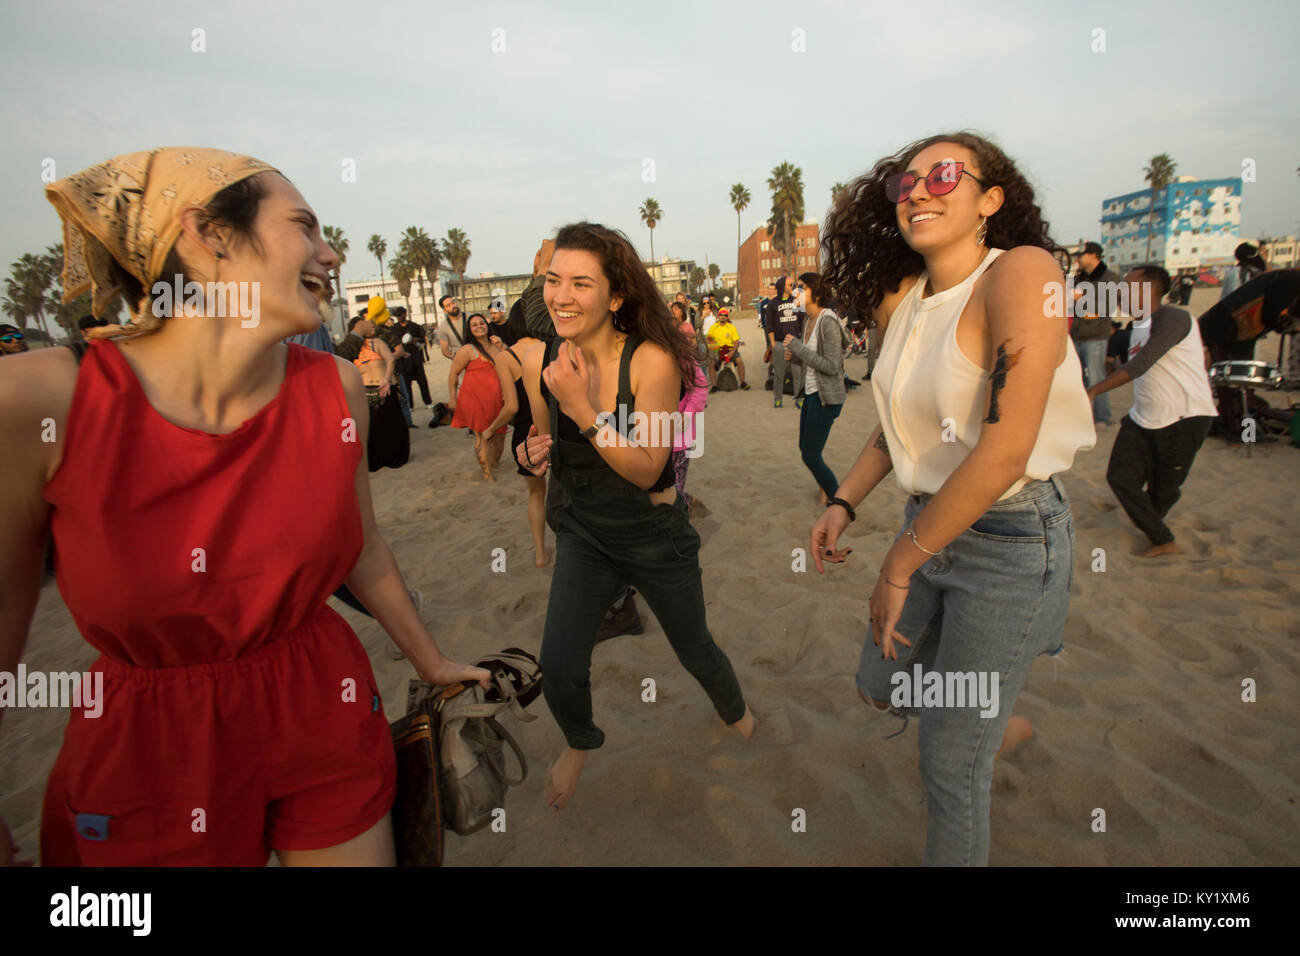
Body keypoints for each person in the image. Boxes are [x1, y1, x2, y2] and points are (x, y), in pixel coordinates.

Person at [1, 147, 487, 867]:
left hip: (318, 694)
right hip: (151, 739)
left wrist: (433, 660)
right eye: (305, 227)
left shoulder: (334, 388)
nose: (329, 253)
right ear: (210, 235)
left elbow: (362, 549)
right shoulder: (41, 399)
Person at [816, 132, 1095, 866]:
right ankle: (986, 718)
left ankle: (976, 726)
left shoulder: (1020, 272)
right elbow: (897, 424)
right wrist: (843, 502)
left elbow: (1005, 446)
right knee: (878, 685)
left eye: (943, 175)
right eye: (904, 184)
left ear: (990, 200)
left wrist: (897, 566)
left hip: (1009, 538)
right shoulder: (906, 301)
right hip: (929, 523)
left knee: (948, 765)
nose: (919, 191)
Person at [514, 221, 754, 811]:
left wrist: (583, 407)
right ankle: (579, 742)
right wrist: (530, 453)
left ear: (615, 295)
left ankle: (737, 713)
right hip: (586, 535)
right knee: (560, 661)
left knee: (694, 648)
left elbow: (650, 467)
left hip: (654, 536)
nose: (561, 296)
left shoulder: (652, 362)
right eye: (553, 281)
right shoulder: (547, 358)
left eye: (580, 283)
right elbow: (545, 446)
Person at [1086, 266, 1217, 558]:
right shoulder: (1138, 326)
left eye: (1128, 287)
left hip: (1185, 418)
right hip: (1143, 416)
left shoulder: (1174, 317)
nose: (1121, 292)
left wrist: (1094, 390)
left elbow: (1141, 363)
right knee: (1120, 477)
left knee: (1164, 490)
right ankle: (1162, 537)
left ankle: (1158, 534)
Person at [485, 313, 550, 565]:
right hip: (558, 427)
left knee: (536, 494)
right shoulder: (552, 346)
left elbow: (511, 407)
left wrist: (490, 430)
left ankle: (540, 553)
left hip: (527, 433)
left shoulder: (506, 357)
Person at [782, 273, 851, 504]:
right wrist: (795, 356)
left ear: (817, 294)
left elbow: (832, 366)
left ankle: (836, 498)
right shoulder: (808, 321)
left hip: (827, 397)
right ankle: (825, 490)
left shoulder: (827, 321)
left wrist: (797, 348)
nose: (795, 292)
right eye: (795, 287)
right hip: (811, 393)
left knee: (810, 454)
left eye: (801, 288)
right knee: (806, 449)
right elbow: (810, 360)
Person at [449, 313, 507, 480]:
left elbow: (513, 363)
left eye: (481, 323)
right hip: (473, 398)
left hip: (498, 399)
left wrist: (503, 346)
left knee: (500, 434)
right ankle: (487, 473)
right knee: (482, 435)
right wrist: (453, 398)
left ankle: (492, 463)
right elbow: (453, 373)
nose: (479, 326)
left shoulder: (497, 345)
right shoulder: (467, 349)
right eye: (474, 325)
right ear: (469, 329)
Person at [1071, 241, 1122, 426]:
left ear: (1093, 255)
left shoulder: (1110, 278)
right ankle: (1084, 417)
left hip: (1095, 336)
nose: (1078, 259)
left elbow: (1107, 305)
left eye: (1081, 255)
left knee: (1095, 377)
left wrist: (1082, 298)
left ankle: (1102, 417)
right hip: (1076, 334)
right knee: (1079, 378)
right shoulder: (1080, 278)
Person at [673, 318, 709, 514]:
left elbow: (700, 390)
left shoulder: (689, 362)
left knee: (675, 485)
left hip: (681, 438)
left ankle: (682, 509)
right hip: (656, 437)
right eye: (684, 337)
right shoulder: (663, 359)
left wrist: (686, 416)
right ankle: (686, 500)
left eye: (692, 337)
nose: (689, 341)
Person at [764, 276, 802, 406]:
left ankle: (799, 399)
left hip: (795, 342)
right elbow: (769, 325)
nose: (792, 287)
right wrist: (773, 343)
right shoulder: (772, 304)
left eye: (793, 285)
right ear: (782, 287)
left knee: (797, 372)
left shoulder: (797, 301)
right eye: (789, 285)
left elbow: (802, 321)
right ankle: (778, 398)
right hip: (780, 342)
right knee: (779, 373)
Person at [393, 306, 432, 406]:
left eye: (400, 315)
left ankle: (427, 402)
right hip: (403, 360)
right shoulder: (394, 329)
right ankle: (410, 404)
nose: (399, 317)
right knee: (406, 384)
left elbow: (423, 341)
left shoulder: (414, 326)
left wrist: (416, 340)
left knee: (422, 381)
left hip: (416, 359)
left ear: (405, 314)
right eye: (397, 316)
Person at [706, 307, 749, 390]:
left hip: (730, 349)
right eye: (721, 315)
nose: (723, 317)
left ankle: (743, 382)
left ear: (727, 317)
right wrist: (713, 348)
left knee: (739, 361)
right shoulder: (713, 328)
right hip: (717, 350)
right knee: (711, 364)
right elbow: (708, 339)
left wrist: (732, 353)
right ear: (718, 316)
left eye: (725, 315)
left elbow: (736, 342)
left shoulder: (731, 327)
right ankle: (714, 385)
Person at [436, 294, 467, 359]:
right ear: (444, 310)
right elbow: (445, 351)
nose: (453, 306)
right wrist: (457, 360)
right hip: (460, 361)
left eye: (453, 302)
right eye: (448, 305)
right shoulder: (443, 327)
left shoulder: (472, 318)